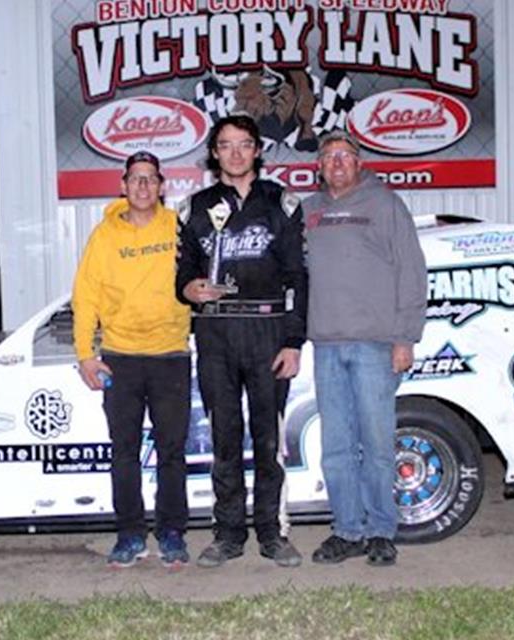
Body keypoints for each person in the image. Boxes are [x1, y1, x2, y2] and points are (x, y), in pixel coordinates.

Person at [175, 114, 307, 568]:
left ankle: (272, 532)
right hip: (215, 333)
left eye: (244, 144)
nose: (235, 153)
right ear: (214, 152)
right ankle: (228, 533)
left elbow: (297, 277)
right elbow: (182, 275)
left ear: (257, 151)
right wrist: (189, 289)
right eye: (226, 145)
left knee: (269, 439)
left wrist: (293, 341)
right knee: (224, 438)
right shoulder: (194, 207)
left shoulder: (283, 204)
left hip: (269, 332)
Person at [302, 131, 427, 567]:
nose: (337, 162)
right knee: (336, 447)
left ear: (359, 163)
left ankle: (380, 531)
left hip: (376, 345)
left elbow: (412, 271)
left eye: (345, 156)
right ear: (319, 165)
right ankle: (347, 530)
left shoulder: (385, 204)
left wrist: (404, 337)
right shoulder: (308, 211)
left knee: (376, 445)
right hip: (327, 346)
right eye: (329, 156)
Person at [72, 151, 192, 568]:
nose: (143, 186)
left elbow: (197, 279)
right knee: (123, 452)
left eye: (151, 179)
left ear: (162, 187)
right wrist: (86, 355)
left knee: (171, 450)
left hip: (171, 355)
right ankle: (129, 534)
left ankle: (172, 532)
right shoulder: (103, 237)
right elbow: (85, 297)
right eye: (135, 179)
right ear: (123, 187)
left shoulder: (179, 228)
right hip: (119, 358)